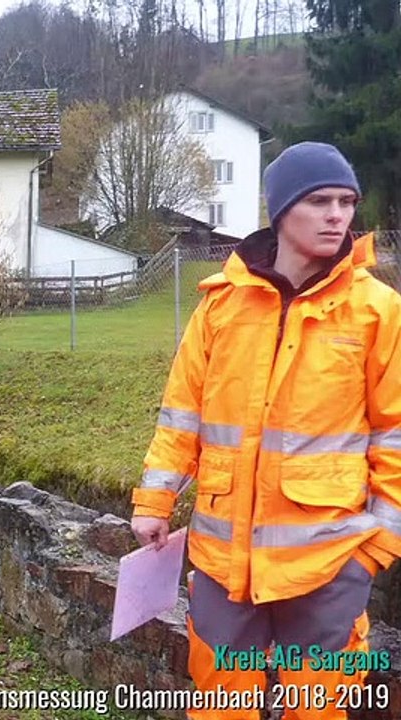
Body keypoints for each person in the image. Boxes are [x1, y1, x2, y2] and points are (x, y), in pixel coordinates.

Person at [131, 141, 401, 719]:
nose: (339, 216)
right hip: (222, 557)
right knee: (223, 706)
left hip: (330, 563)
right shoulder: (220, 306)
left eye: (347, 202)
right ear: (281, 211)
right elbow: (182, 413)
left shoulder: (378, 310)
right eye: (321, 201)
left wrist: (375, 550)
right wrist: (155, 500)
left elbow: (395, 436)